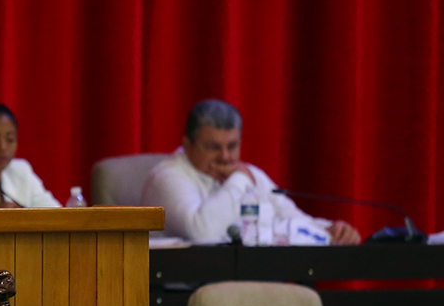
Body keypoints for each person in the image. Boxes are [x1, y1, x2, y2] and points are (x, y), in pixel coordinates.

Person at [141, 98, 361, 245]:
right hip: (177, 294)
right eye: (213, 147)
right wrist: (238, 180)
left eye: (232, 146)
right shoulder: (168, 177)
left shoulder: (247, 174)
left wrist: (329, 230)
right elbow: (203, 233)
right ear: (187, 145)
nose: (225, 157)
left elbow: (291, 219)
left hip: (242, 286)